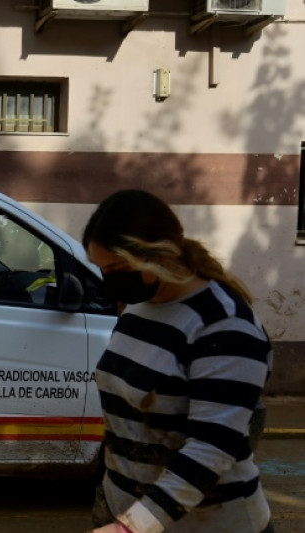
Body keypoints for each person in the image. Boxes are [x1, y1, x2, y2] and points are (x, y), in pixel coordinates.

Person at [82, 189, 273, 533]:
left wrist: (132, 526)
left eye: (118, 268)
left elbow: (211, 446)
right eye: (102, 269)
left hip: (210, 523)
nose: (110, 282)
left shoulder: (224, 325)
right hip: (132, 513)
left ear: (160, 255)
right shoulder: (139, 308)